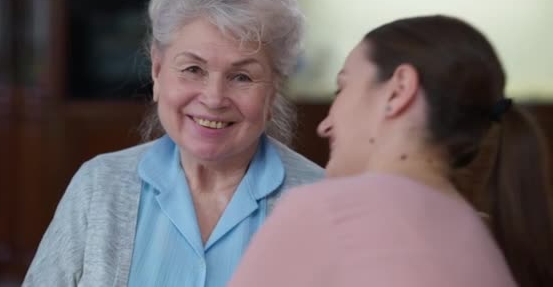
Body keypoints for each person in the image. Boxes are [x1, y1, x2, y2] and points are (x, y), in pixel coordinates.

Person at [23, 0, 324, 286]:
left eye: (242, 76)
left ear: (275, 89)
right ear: (157, 70)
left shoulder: (323, 201)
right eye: (193, 69)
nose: (213, 98)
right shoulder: (98, 187)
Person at [229, 15, 553, 287]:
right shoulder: (478, 237)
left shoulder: (325, 211)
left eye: (342, 88)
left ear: (398, 91)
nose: (325, 125)